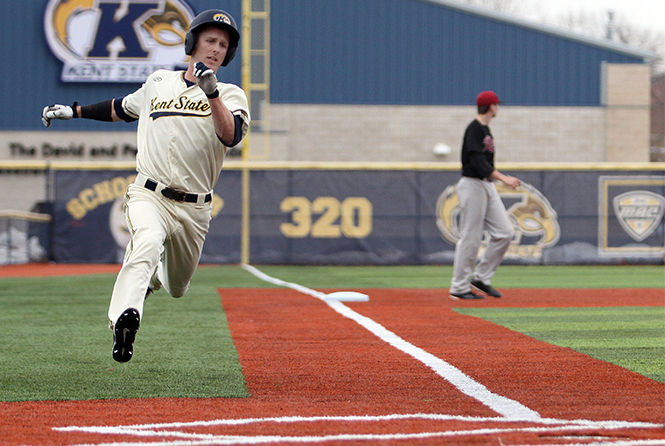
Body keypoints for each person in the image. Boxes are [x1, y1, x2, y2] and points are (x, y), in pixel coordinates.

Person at [41, 9, 250, 362]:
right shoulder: (158, 82)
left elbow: (231, 136)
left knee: (178, 287)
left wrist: (211, 94)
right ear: (192, 42)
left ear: (228, 54)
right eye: (210, 40)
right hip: (148, 193)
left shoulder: (231, 94)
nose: (215, 48)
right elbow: (121, 108)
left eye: (223, 44)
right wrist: (74, 111)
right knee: (147, 239)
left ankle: (152, 280)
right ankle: (126, 318)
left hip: (195, 207)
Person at [449, 90, 520, 300]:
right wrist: (503, 178)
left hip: (486, 185)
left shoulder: (485, 129)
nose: (498, 107)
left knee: (505, 232)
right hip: (472, 184)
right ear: (490, 106)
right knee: (470, 236)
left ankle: (481, 278)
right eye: (496, 104)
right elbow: (477, 161)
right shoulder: (474, 129)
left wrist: (495, 179)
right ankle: (459, 287)